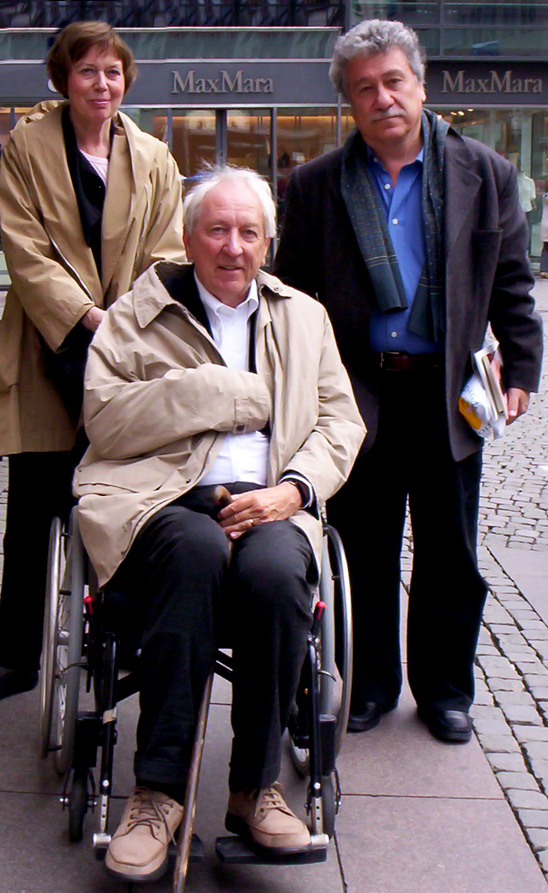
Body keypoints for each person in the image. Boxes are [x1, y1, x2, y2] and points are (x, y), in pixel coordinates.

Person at [72, 164, 365, 882]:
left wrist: (293, 491)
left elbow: (339, 422)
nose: (233, 246)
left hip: (271, 501)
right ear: (188, 236)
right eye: (217, 230)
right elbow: (105, 419)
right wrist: (224, 394)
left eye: (248, 232)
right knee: (195, 550)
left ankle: (255, 788)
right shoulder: (138, 314)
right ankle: (159, 792)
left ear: (268, 241)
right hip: (161, 500)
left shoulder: (304, 317)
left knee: (276, 572)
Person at [274, 19, 543, 744]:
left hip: (449, 392)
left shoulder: (484, 172)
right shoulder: (317, 184)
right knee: (362, 547)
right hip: (357, 395)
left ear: (421, 85)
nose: (383, 98)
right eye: (365, 88)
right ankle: (368, 686)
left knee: (450, 552)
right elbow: (291, 294)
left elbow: (511, 281)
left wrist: (522, 366)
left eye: (394, 81)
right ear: (349, 103)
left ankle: (446, 690)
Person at [0, 21, 184, 699]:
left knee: (122, 497)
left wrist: (127, 320)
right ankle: (16, 653)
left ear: (126, 80)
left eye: (112, 72)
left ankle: (120, 637)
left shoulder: (154, 156)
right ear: (63, 79)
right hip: (48, 341)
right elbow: (22, 247)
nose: (101, 84)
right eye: (87, 71)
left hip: (130, 349)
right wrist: (86, 314)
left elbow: (168, 251)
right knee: (35, 505)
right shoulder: (26, 146)